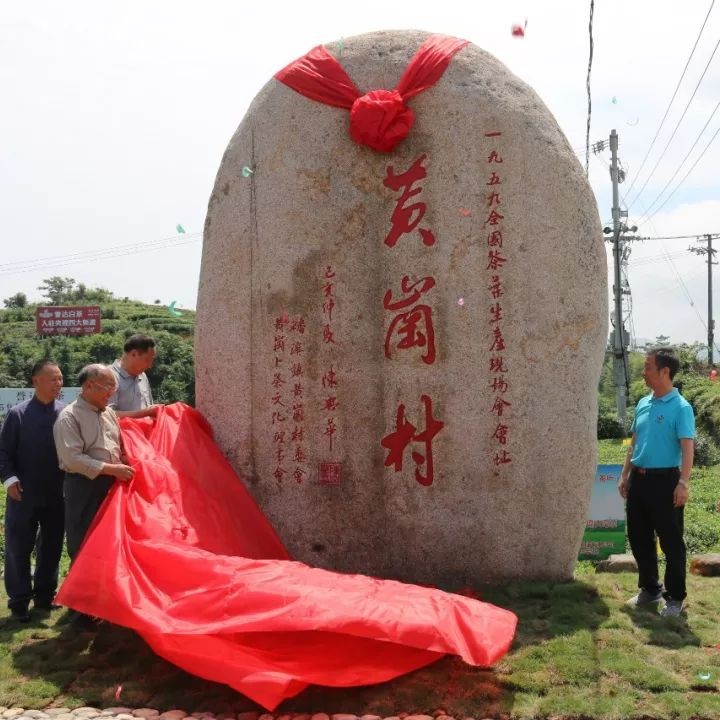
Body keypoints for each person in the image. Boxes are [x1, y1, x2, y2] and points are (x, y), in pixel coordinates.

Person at [53, 364, 134, 626]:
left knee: (109, 544)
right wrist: (113, 468)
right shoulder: (69, 417)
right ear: (88, 386)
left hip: (111, 484)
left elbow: (118, 444)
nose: (111, 393)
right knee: (84, 545)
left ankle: (102, 605)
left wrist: (124, 462)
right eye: (107, 387)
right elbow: (73, 458)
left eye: (114, 387)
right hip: (84, 486)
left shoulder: (108, 414)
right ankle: (80, 613)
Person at [618, 347, 695, 617]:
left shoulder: (681, 407)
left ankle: (675, 598)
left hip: (666, 482)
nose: (643, 371)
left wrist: (683, 483)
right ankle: (650, 589)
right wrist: (625, 474)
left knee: (671, 541)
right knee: (639, 537)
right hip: (639, 480)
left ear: (665, 371)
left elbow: (687, 448)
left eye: (648, 366)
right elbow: (634, 443)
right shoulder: (643, 403)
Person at [0, 360, 66, 622]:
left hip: (57, 494)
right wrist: (9, 480)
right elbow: (3, 454)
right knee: (18, 547)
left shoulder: (66, 413)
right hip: (23, 493)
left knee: (51, 546)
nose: (57, 384)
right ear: (35, 381)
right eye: (52, 379)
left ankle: (44, 596)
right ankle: (18, 602)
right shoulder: (17, 414)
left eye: (60, 379)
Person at [108, 334, 163, 417]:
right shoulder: (108, 376)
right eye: (147, 360)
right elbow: (107, 415)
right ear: (134, 354)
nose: (149, 366)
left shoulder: (142, 375)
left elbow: (149, 407)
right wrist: (143, 413)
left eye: (152, 361)